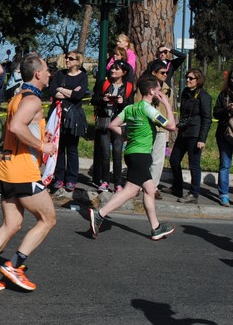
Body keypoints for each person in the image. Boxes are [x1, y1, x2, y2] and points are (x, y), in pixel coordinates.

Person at [0, 53, 57, 291]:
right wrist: (42, 145)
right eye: (47, 70)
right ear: (38, 74)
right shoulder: (33, 101)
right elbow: (17, 127)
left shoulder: (18, 97)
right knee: (48, 219)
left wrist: (38, 136)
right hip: (23, 171)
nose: (49, 73)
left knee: (12, 224)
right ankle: (15, 266)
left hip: (7, 169)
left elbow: (17, 128)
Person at [89, 74, 176, 241]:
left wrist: (127, 135)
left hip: (131, 153)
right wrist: (166, 103)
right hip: (141, 155)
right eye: (159, 90)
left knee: (149, 190)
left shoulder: (130, 108)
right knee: (130, 191)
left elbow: (113, 125)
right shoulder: (148, 109)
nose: (161, 93)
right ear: (152, 91)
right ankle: (100, 214)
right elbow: (171, 126)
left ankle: (156, 227)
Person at [91, 59, 134, 193]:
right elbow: (93, 100)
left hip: (120, 123)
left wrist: (122, 102)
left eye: (116, 69)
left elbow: (131, 106)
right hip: (104, 122)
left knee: (117, 153)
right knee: (105, 153)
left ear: (124, 72)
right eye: (112, 69)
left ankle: (117, 183)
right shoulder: (104, 83)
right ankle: (104, 182)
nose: (112, 71)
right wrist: (103, 100)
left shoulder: (129, 87)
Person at [170, 68, 212, 204]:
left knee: (194, 164)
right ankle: (177, 187)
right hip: (183, 132)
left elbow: (207, 119)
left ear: (198, 80)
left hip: (195, 134)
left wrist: (202, 139)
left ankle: (194, 193)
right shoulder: (186, 92)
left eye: (191, 78)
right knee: (174, 160)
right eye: (187, 77)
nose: (187, 80)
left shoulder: (204, 96)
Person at [48, 50, 88, 192]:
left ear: (78, 61)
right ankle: (58, 177)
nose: (68, 61)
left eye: (71, 59)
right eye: (67, 58)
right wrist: (68, 91)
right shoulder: (60, 74)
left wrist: (62, 90)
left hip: (73, 117)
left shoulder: (82, 76)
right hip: (58, 115)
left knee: (72, 148)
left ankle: (71, 179)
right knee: (58, 147)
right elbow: (53, 91)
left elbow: (78, 95)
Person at [140, 60, 175, 200]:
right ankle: (138, 185)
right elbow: (139, 104)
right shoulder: (144, 86)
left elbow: (168, 116)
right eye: (162, 72)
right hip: (146, 127)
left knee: (158, 160)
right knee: (143, 157)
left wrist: (167, 133)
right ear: (154, 73)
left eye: (166, 72)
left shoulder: (167, 89)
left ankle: (153, 187)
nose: (166, 74)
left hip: (161, 127)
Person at [212, 68, 233, 207]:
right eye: (232, 78)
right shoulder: (224, 94)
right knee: (225, 165)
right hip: (224, 135)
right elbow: (215, 113)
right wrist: (227, 109)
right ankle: (224, 195)